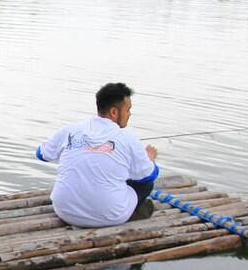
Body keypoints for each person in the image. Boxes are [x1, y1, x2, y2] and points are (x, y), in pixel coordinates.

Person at [35, 82, 160, 228]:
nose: (129, 114)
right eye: (128, 110)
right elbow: (149, 175)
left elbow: (41, 154)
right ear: (114, 112)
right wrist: (149, 158)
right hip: (109, 216)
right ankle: (131, 212)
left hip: (65, 211)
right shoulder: (128, 138)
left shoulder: (70, 130)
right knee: (145, 184)